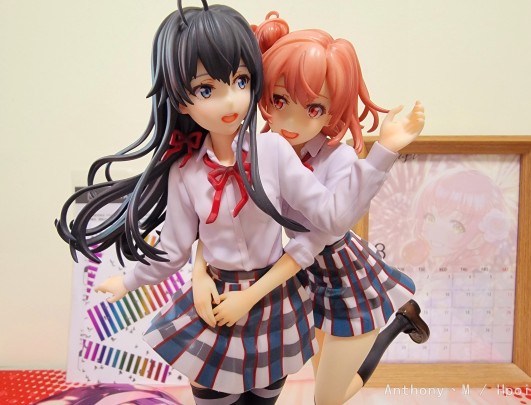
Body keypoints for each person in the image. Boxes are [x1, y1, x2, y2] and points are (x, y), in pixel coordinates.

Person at [56, 3, 411, 404]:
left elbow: (330, 217)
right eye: (206, 90)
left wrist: (383, 153)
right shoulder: (185, 172)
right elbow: (175, 248)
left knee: (266, 395)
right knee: (212, 394)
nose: (230, 101)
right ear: (181, 100)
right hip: (216, 302)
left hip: (272, 299)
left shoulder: (274, 151)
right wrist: (131, 280)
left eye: (240, 81)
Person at [194, 12, 429, 405]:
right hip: (304, 280)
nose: (290, 120)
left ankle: (398, 323)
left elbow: (325, 229)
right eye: (279, 100)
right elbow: (224, 212)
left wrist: (384, 150)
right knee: (311, 371)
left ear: (334, 111)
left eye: (314, 108)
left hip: (345, 276)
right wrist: (199, 271)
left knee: (327, 398)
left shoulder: (338, 159)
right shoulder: (262, 149)